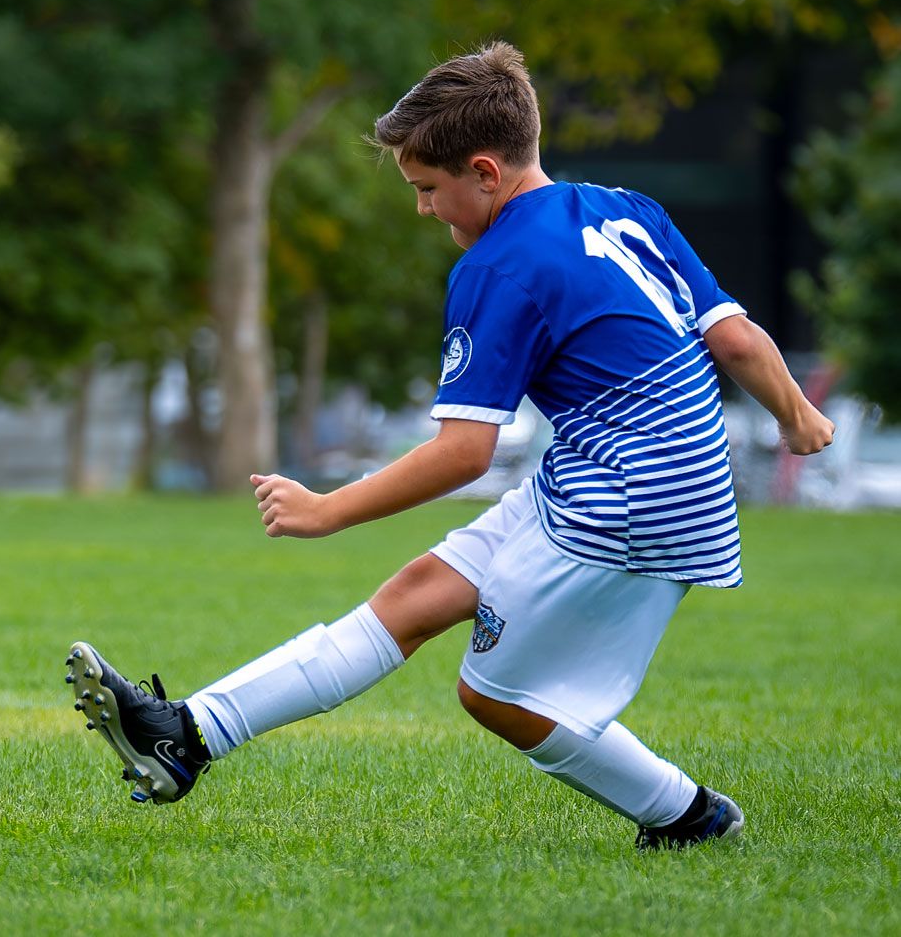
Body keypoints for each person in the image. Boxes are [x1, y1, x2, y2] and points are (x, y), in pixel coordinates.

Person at [62, 41, 834, 850]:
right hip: (633, 475)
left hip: (629, 497)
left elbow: (464, 453)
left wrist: (328, 509)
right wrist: (796, 419)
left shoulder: (500, 267)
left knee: (498, 696)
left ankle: (688, 815)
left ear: (485, 173)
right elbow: (738, 341)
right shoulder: (624, 206)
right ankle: (185, 736)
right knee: (415, 597)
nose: (425, 210)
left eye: (429, 190)